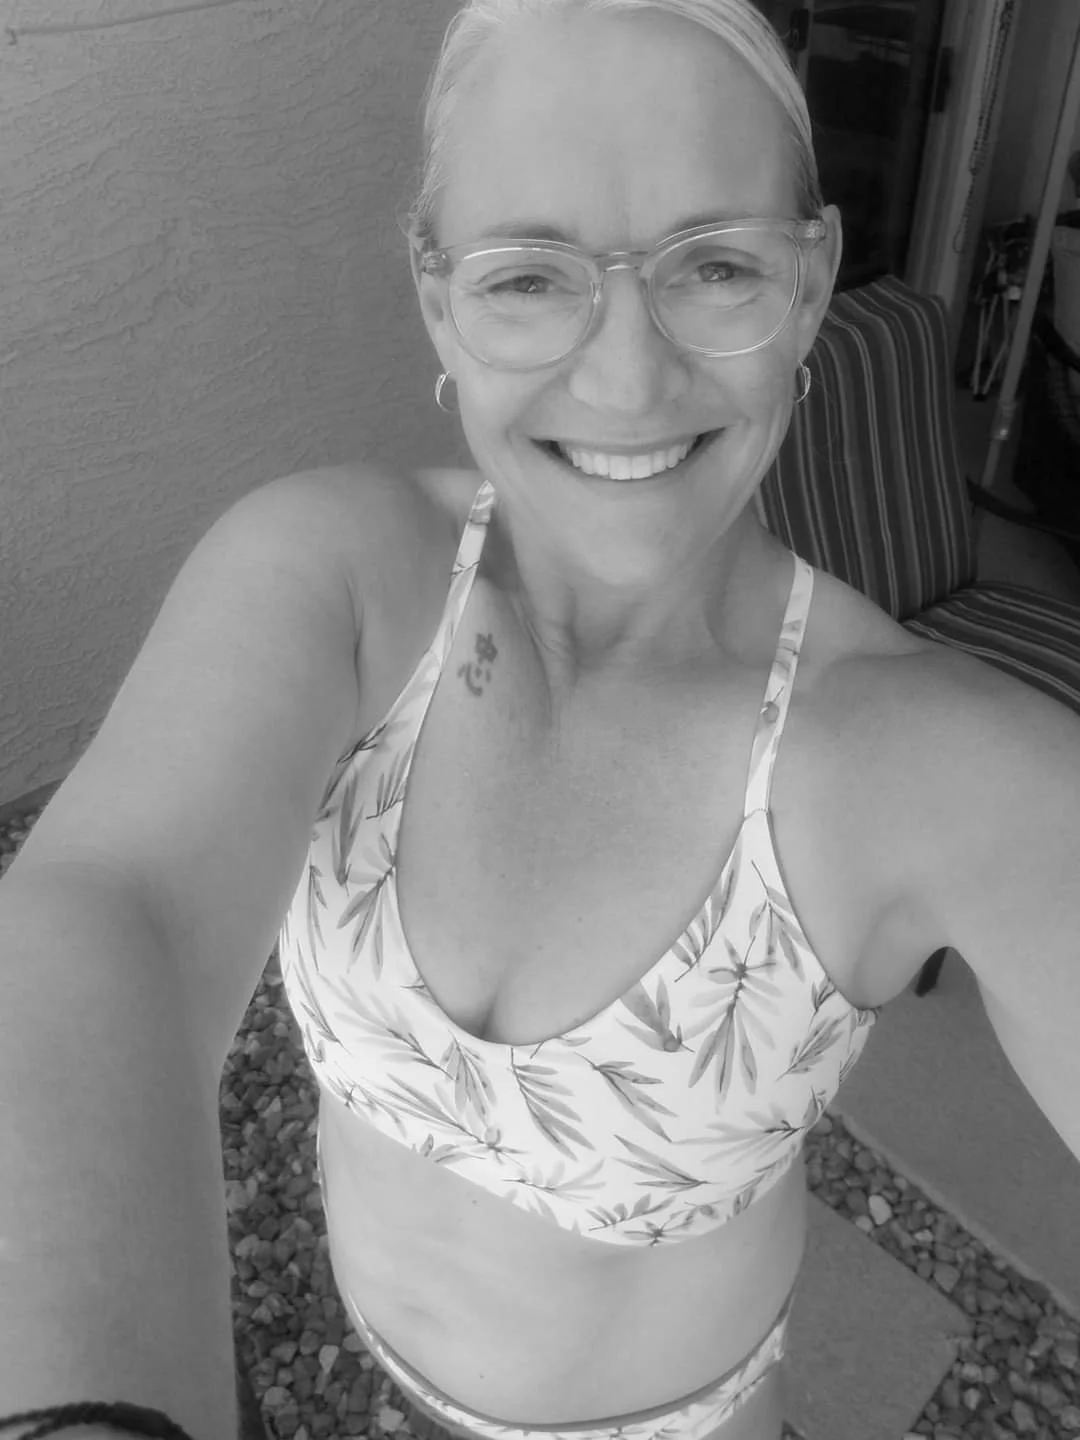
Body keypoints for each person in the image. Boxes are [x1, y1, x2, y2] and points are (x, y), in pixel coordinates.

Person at [2, 4, 1078, 1440]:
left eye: (715, 264)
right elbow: (106, 913)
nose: (625, 380)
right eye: (528, 276)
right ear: (439, 301)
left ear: (812, 281)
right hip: (372, 1363)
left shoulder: (928, 763)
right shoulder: (340, 580)